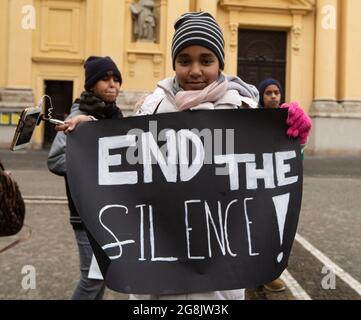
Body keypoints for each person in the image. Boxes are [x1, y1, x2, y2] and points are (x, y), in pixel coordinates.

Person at [57, 12, 312, 300]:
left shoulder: (244, 112)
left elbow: (272, 172)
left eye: (206, 60)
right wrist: (92, 134)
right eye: (184, 60)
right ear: (174, 63)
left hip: (221, 279)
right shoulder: (151, 108)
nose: (194, 70)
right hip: (159, 277)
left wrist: (294, 138)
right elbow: (127, 152)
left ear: (220, 63)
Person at [47, 56, 123, 299]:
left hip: (108, 212)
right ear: (91, 85)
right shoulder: (78, 114)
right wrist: (99, 165)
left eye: (116, 80)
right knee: (93, 278)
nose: (113, 85)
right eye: (105, 79)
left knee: (102, 275)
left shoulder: (113, 114)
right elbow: (56, 159)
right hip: (86, 214)